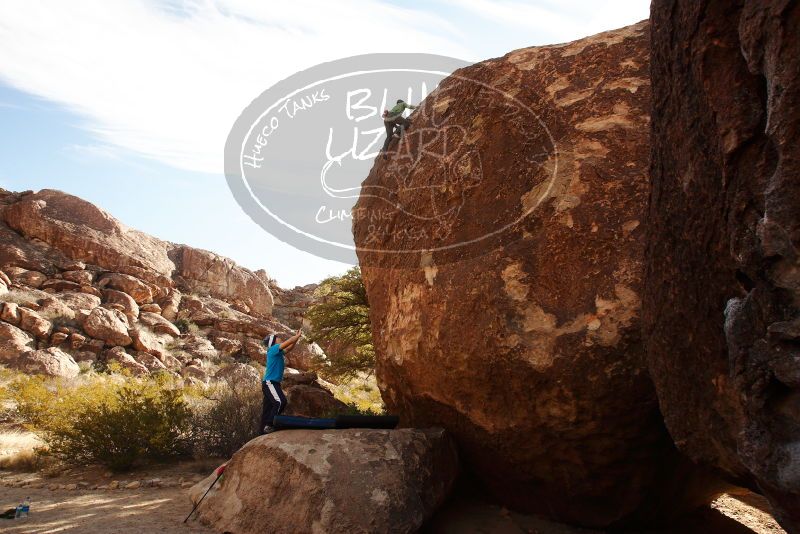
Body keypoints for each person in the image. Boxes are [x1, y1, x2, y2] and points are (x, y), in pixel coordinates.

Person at [260, 329, 302, 434]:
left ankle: (262, 431)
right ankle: (269, 425)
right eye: (277, 337)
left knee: (268, 408)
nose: (279, 338)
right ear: (273, 341)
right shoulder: (273, 349)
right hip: (270, 383)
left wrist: (296, 339)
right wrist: (297, 336)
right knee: (280, 402)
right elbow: (289, 342)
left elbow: (289, 348)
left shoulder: (278, 352)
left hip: (273, 384)